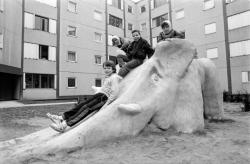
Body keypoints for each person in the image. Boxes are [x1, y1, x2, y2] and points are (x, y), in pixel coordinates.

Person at [47, 60, 121, 133]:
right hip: (99, 95)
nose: (106, 70)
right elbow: (105, 88)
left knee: (86, 109)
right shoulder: (108, 77)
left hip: (103, 98)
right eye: (105, 68)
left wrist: (107, 103)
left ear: (113, 69)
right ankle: (61, 118)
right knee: (81, 105)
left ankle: (64, 125)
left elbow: (115, 91)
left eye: (108, 68)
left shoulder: (114, 77)